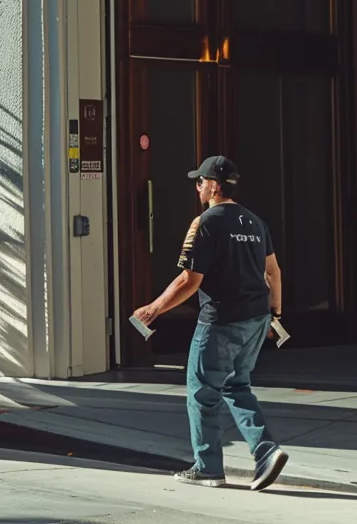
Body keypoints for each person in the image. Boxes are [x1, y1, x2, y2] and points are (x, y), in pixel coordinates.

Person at [134, 156, 289, 491]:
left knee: (202, 392)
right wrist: (275, 314)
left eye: (200, 181)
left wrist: (154, 308)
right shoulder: (255, 222)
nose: (198, 187)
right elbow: (273, 272)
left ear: (214, 186)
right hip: (257, 318)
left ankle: (208, 468)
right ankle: (266, 452)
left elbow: (189, 281)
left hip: (221, 320)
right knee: (236, 386)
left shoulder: (204, 223)